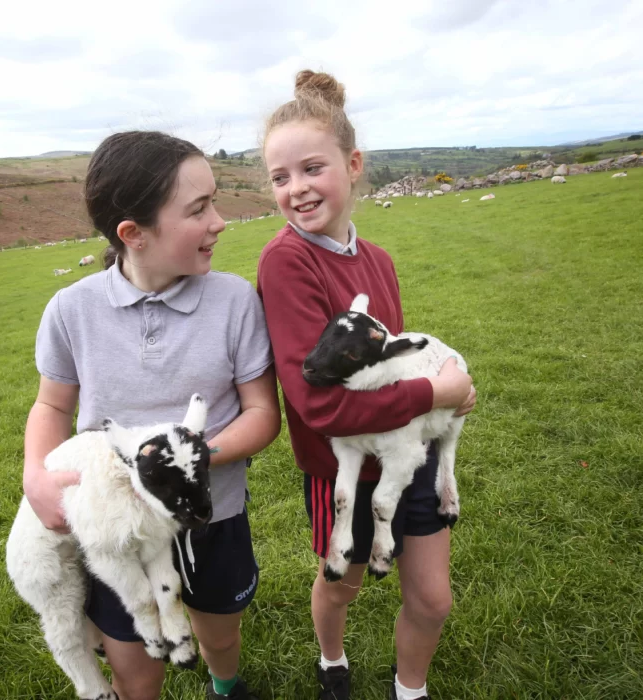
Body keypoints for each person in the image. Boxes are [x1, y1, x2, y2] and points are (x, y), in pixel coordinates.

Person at [24, 131, 281, 700]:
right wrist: (35, 475)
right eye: (198, 209)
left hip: (210, 514)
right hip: (117, 529)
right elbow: (51, 404)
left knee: (218, 633)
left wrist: (190, 462)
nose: (219, 221)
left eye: (214, 201)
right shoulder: (71, 310)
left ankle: (226, 685)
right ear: (133, 235)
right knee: (136, 664)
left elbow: (263, 412)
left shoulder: (235, 301)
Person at [256, 71, 477, 700]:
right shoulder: (286, 261)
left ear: (352, 166)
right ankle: (333, 661)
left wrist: (447, 388)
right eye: (280, 177)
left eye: (312, 168)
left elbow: (397, 365)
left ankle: (411, 690)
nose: (296, 189)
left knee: (433, 599)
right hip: (343, 465)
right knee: (342, 584)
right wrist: (435, 395)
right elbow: (315, 400)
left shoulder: (377, 259)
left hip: (408, 454)